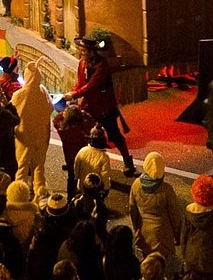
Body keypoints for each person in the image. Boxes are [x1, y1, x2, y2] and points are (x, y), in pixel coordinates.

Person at [64, 36, 137, 177]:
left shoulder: (101, 66)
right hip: (89, 105)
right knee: (82, 132)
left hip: (104, 107)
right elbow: (80, 83)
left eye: (83, 50)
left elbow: (92, 86)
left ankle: (128, 163)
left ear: (92, 51)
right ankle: (79, 161)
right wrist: (73, 92)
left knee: (114, 135)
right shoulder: (82, 63)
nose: (80, 52)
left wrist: (74, 95)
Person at [129, 151, 183, 277]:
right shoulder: (167, 190)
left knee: (148, 267)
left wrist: (137, 228)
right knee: (160, 268)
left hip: (144, 235)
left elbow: (133, 210)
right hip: (162, 237)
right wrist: (177, 235)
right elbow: (175, 216)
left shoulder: (136, 185)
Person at [11, 60, 52, 202]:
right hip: (40, 136)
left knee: (22, 167)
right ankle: (40, 195)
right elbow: (50, 109)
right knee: (39, 167)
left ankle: (19, 196)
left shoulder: (19, 95)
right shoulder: (43, 91)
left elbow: (12, 112)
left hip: (23, 137)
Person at [180, 174, 213, 280]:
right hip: (210, 258)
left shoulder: (189, 211)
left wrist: (184, 253)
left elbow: (184, 235)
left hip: (192, 255)